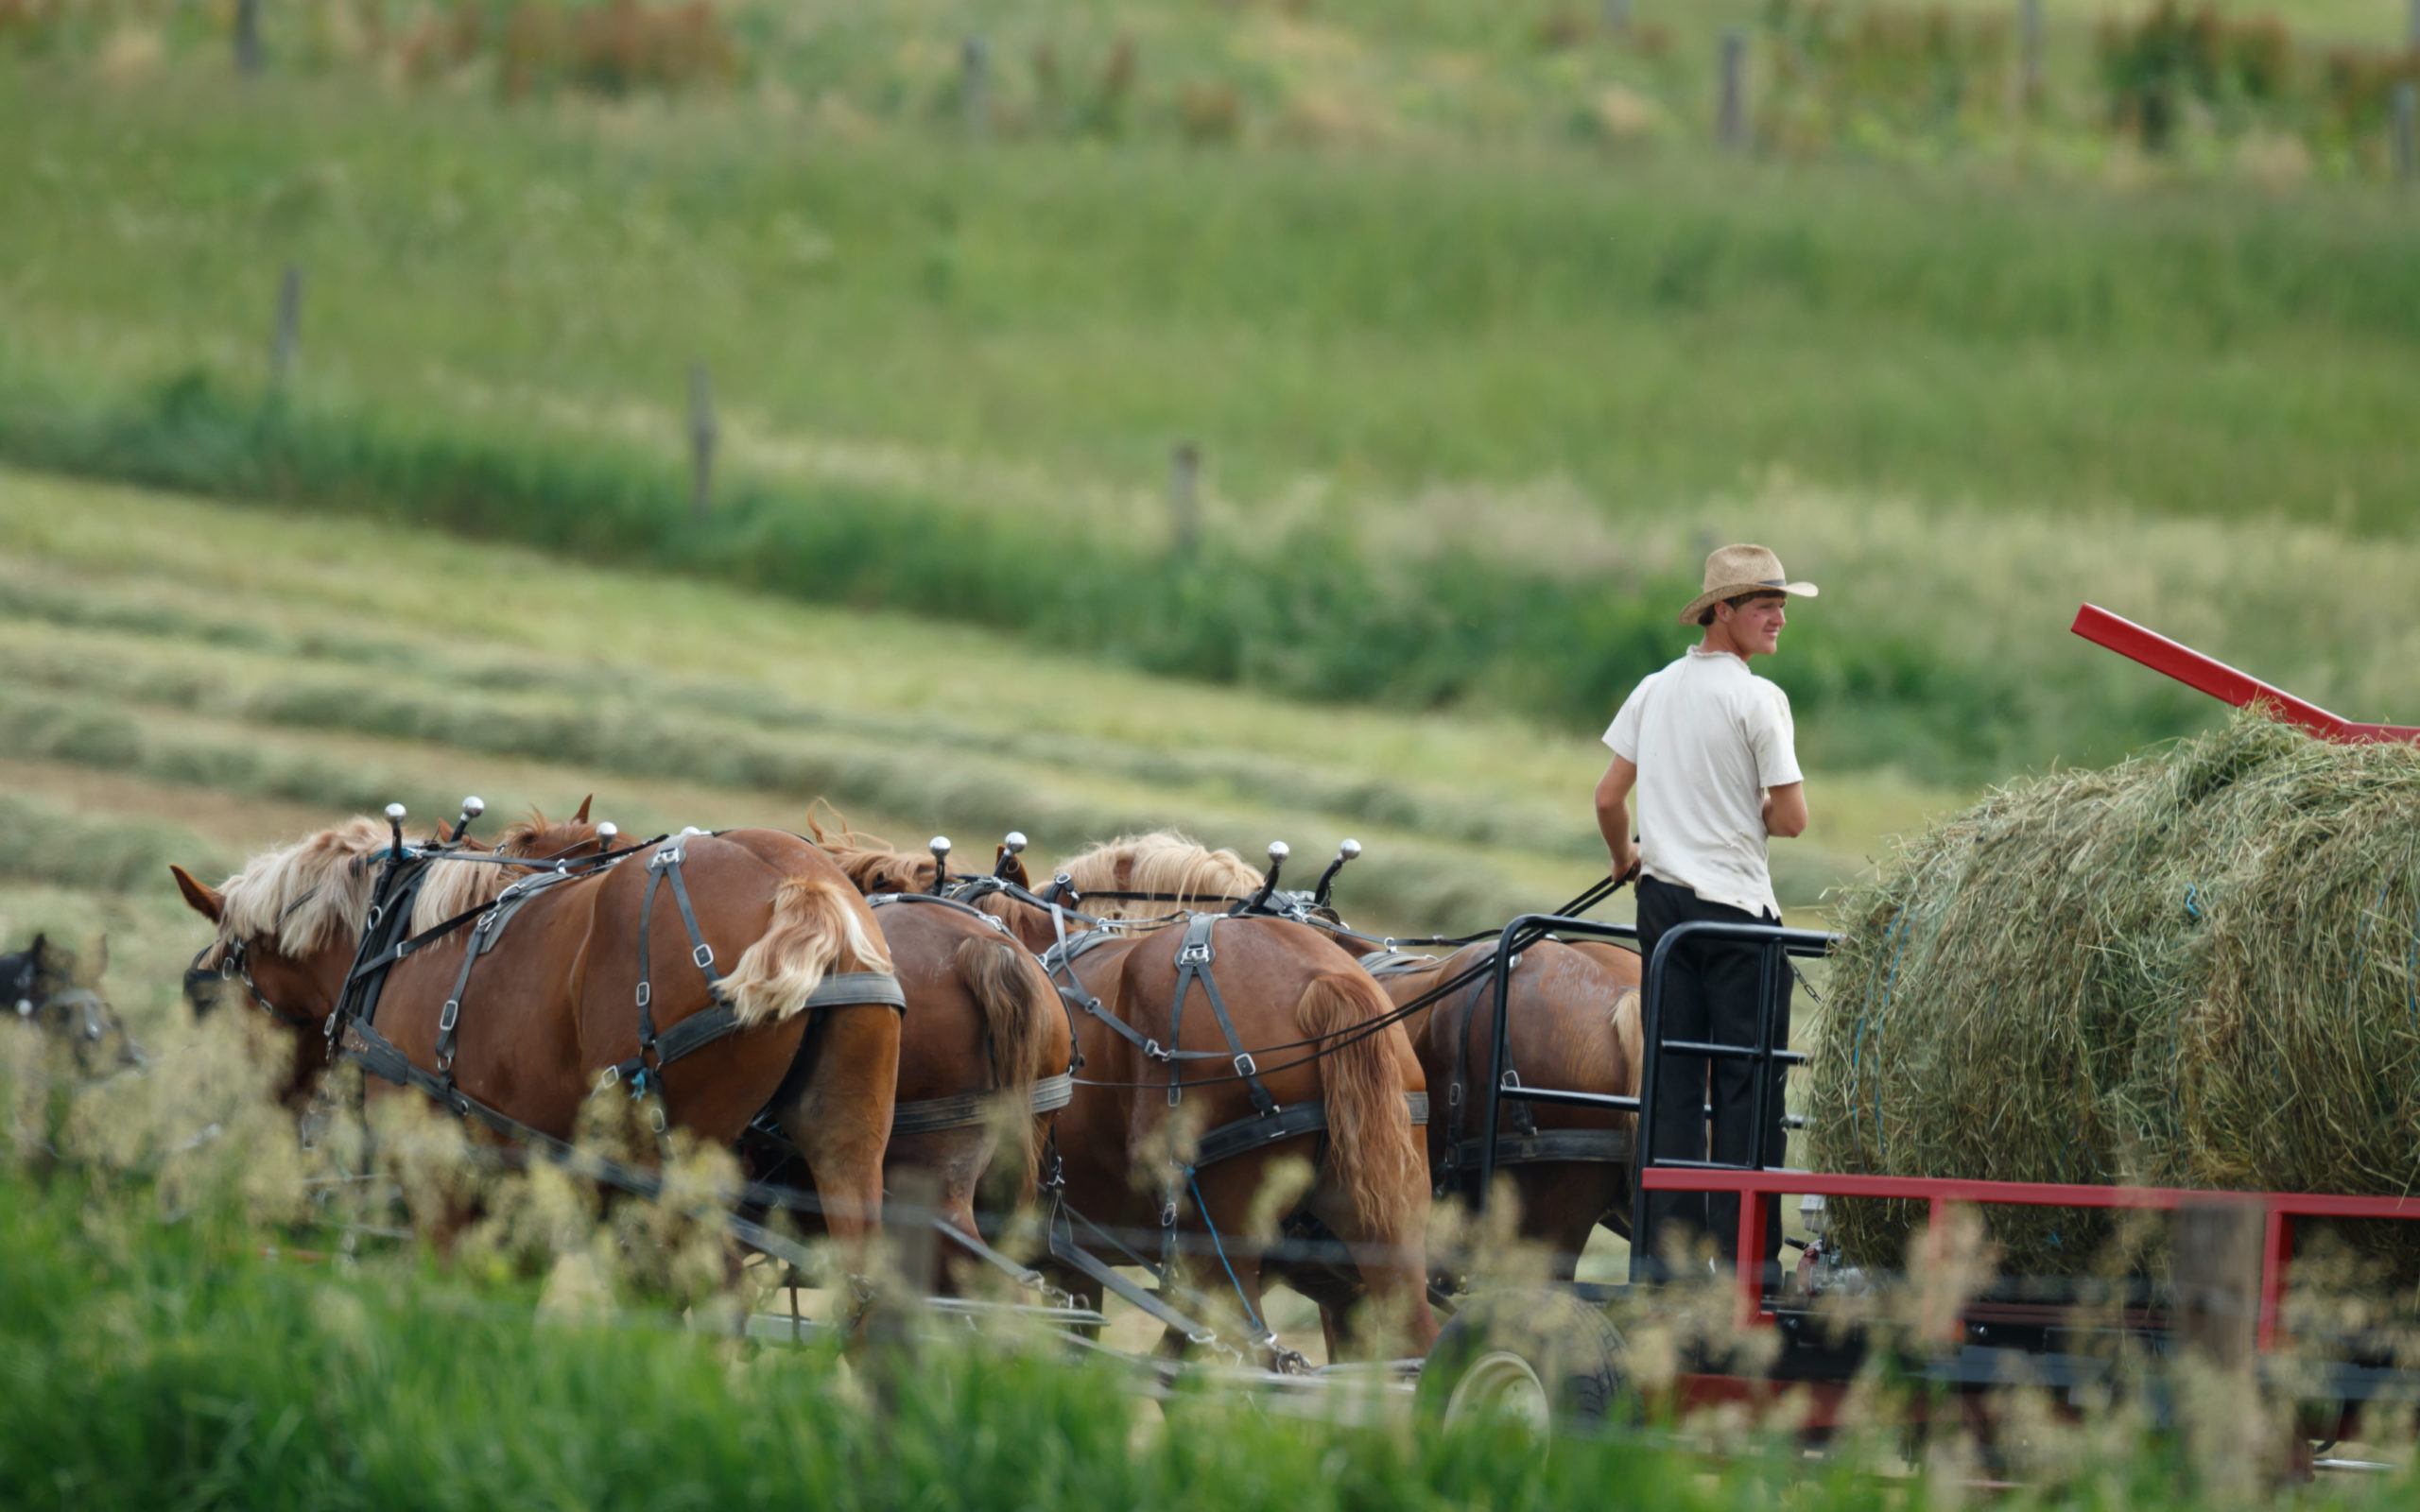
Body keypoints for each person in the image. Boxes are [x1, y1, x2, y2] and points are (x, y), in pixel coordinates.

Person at [1594, 543, 1814, 1281]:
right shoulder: (1759, 699)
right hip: (1736, 916)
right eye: (1764, 605)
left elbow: (1606, 798)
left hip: (1664, 913)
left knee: (1673, 1085)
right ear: (1723, 612)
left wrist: (1625, 855)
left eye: (1782, 603)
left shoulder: (1654, 688)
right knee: (1751, 1086)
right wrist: (1747, 810)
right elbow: (1792, 820)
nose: (1779, 617)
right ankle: (1747, 1261)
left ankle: (1666, 1260)